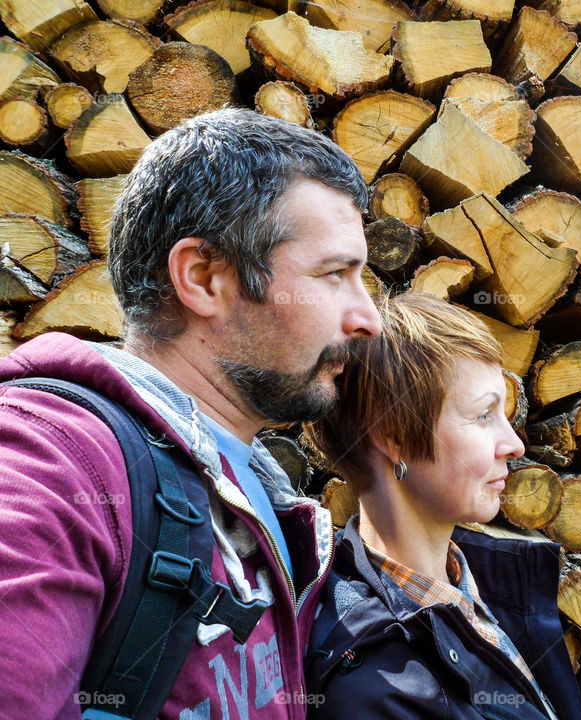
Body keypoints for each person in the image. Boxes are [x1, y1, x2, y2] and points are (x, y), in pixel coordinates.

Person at [0, 108, 381, 718]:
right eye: (334, 274)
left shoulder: (256, 492)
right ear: (203, 278)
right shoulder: (52, 460)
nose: (369, 318)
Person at [305, 292, 581, 720]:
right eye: (482, 416)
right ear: (395, 437)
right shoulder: (376, 687)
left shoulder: (484, 584)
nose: (514, 444)